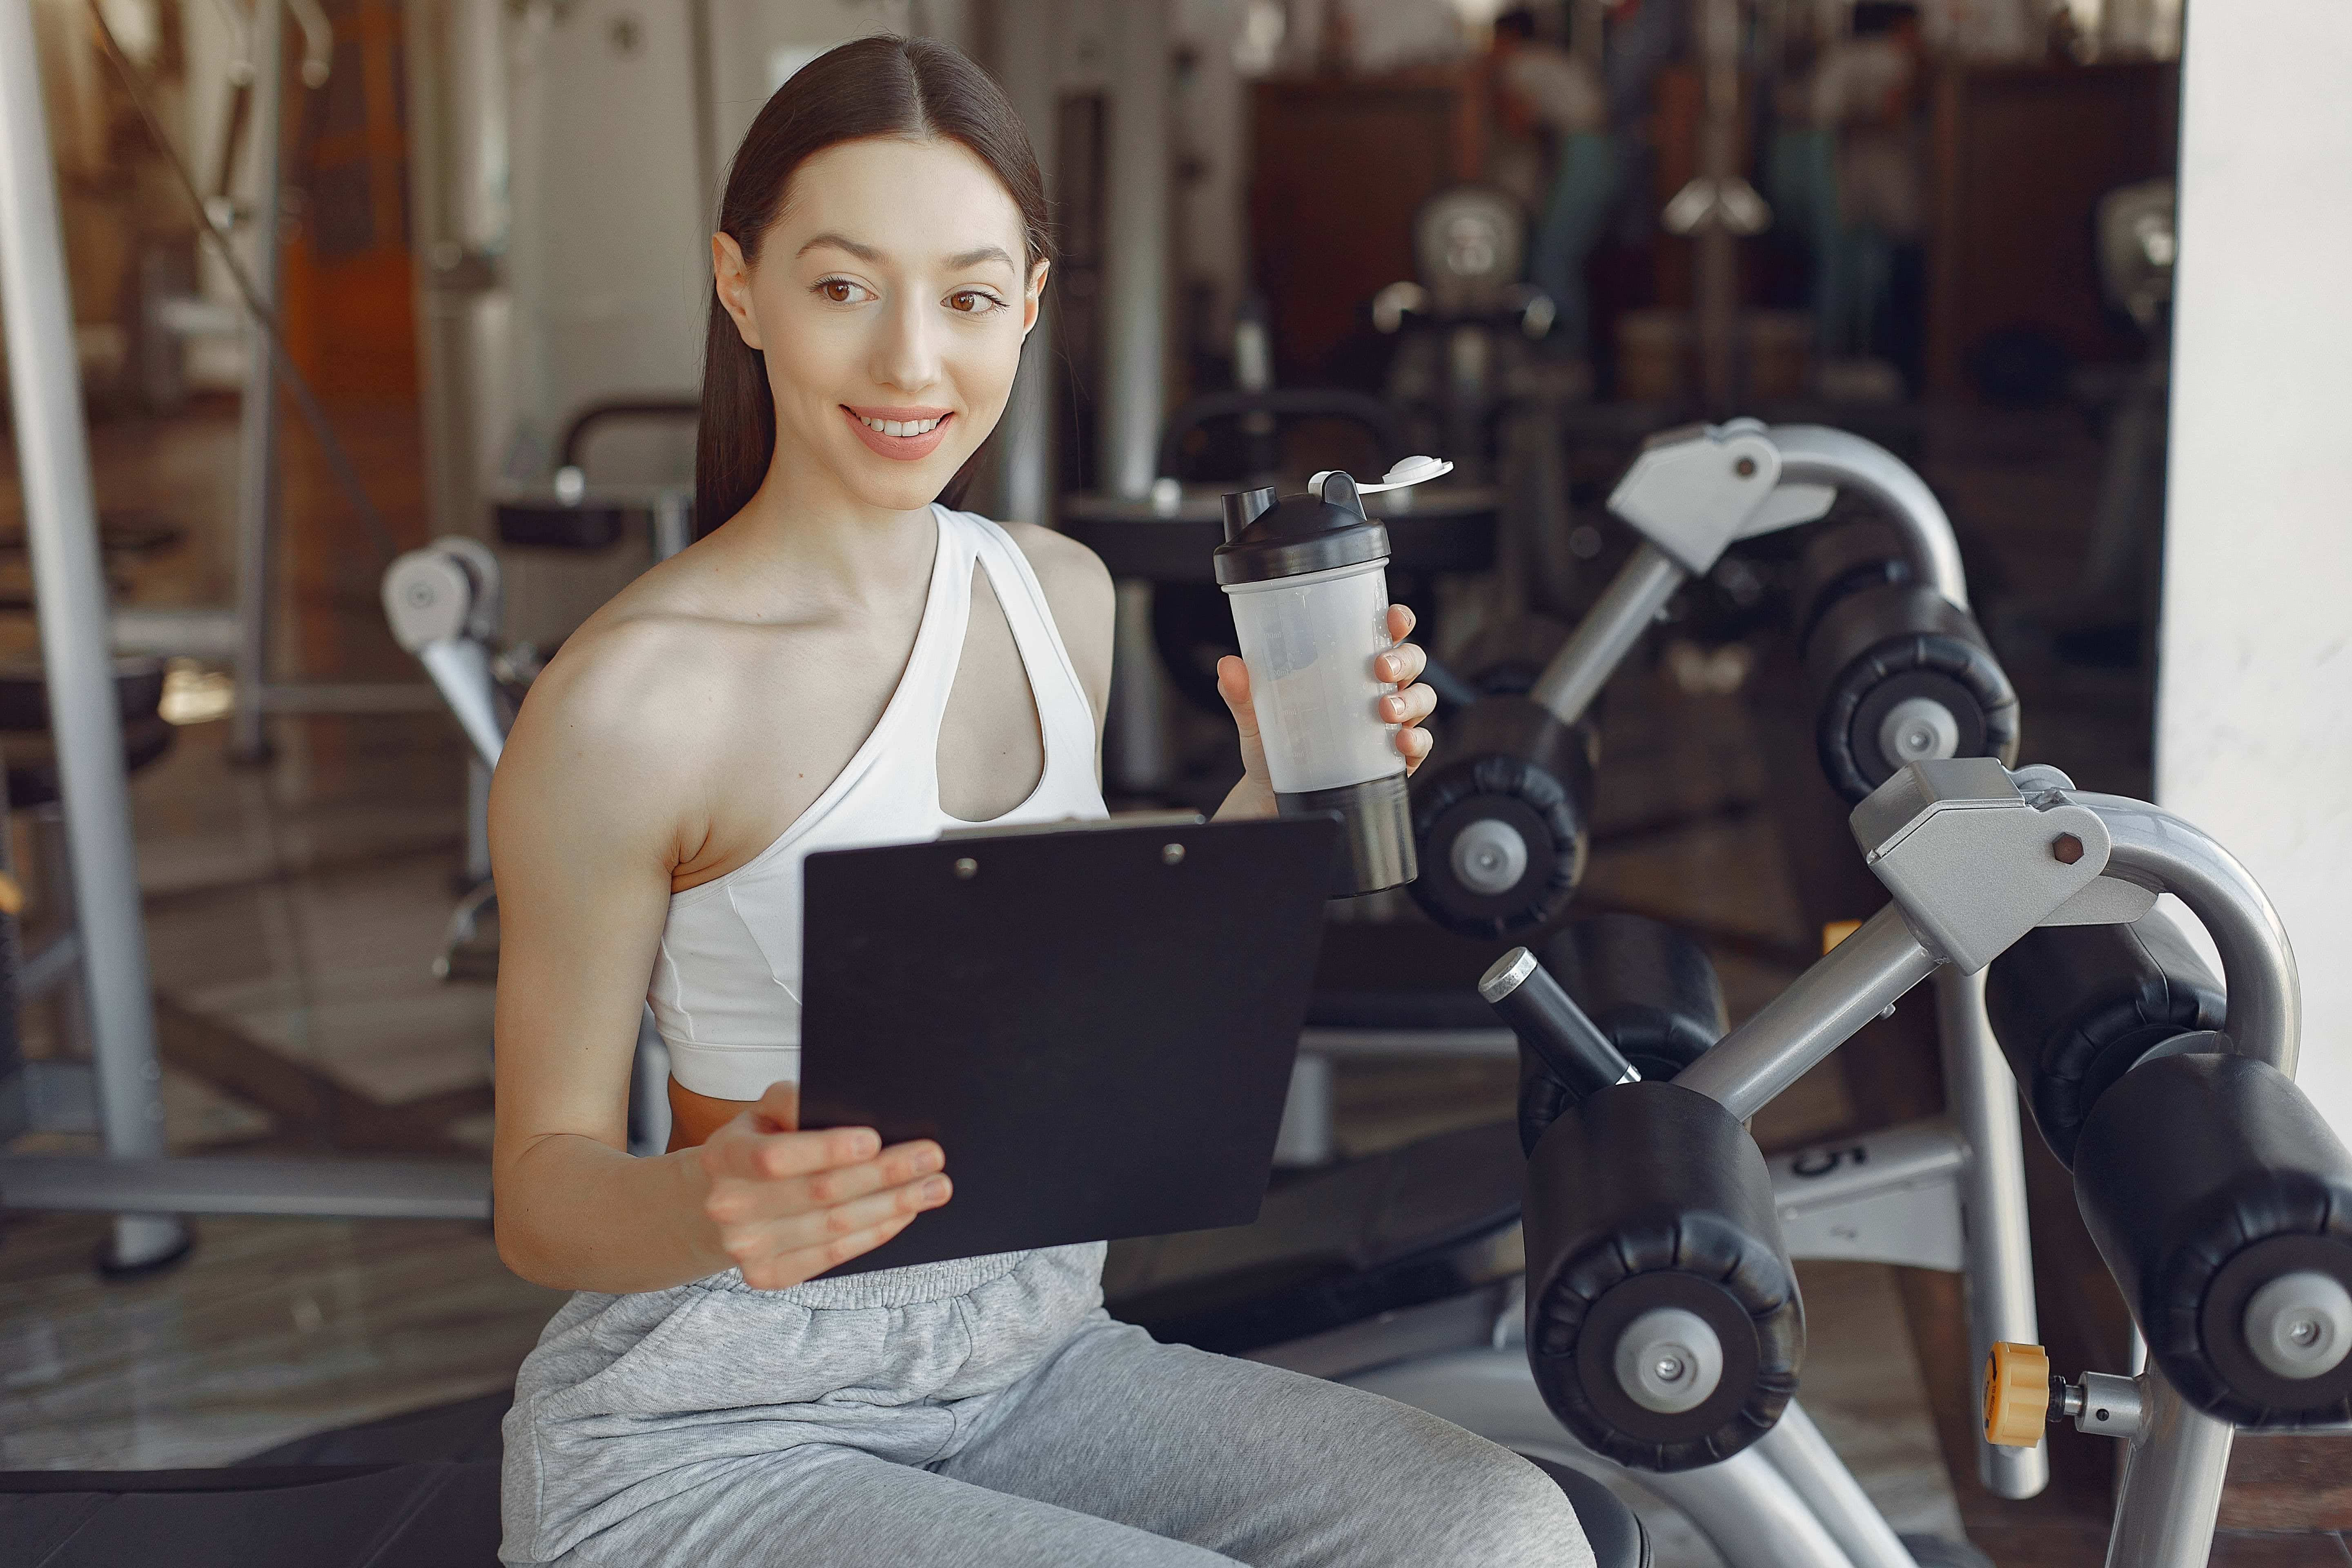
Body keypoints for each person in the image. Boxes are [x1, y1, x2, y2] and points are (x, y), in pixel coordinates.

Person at [488, 34, 1592, 1568]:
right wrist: (704, 1208)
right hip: (714, 1429)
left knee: (1503, 1533)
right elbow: (539, 1199)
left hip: (1034, 1358)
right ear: (740, 288)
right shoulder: (630, 702)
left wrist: (1271, 789)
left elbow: (1078, 993)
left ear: (1032, 303)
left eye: (967, 296)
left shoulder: (1049, 597)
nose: (910, 365)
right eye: (840, 287)